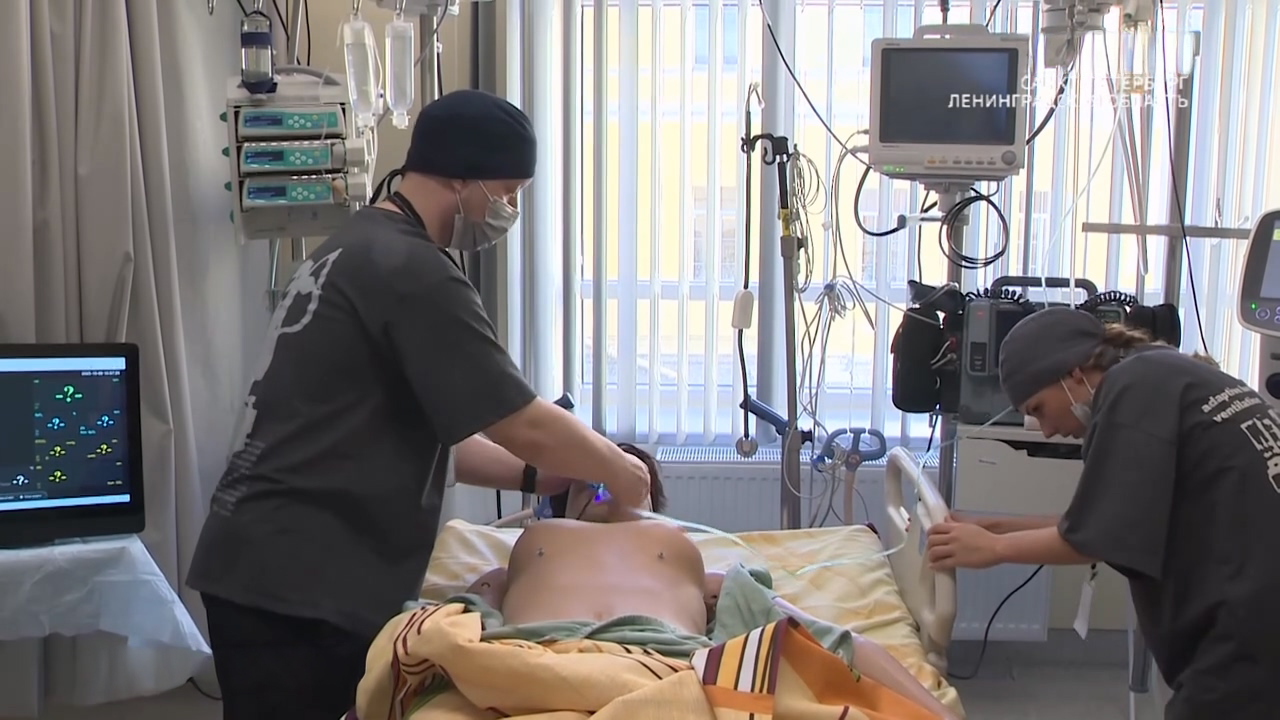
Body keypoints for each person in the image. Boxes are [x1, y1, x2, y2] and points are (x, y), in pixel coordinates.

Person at [186, 90, 650, 720]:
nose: (509, 211)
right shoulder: (411, 268)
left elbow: (417, 434)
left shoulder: (352, 247)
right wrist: (618, 470)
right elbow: (517, 418)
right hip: (298, 584)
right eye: (507, 192)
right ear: (462, 176)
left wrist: (535, 476)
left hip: (263, 564)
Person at [925, 307, 1279, 718]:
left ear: (1072, 373)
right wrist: (993, 526)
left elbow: (1095, 538)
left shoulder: (1131, 389)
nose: (1046, 429)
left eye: (1038, 408)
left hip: (1251, 621)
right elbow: (1110, 518)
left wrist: (994, 549)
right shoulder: (1162, 371)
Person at [466, 445, 958, 720]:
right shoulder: (531, 546)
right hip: (536, 658)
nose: (606, 487)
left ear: (653, 507)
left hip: (659, 666)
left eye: (629, 478)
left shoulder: (694, 567)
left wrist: (935, 713)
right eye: (590, 480)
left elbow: (831, 641)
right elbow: (459, 619)